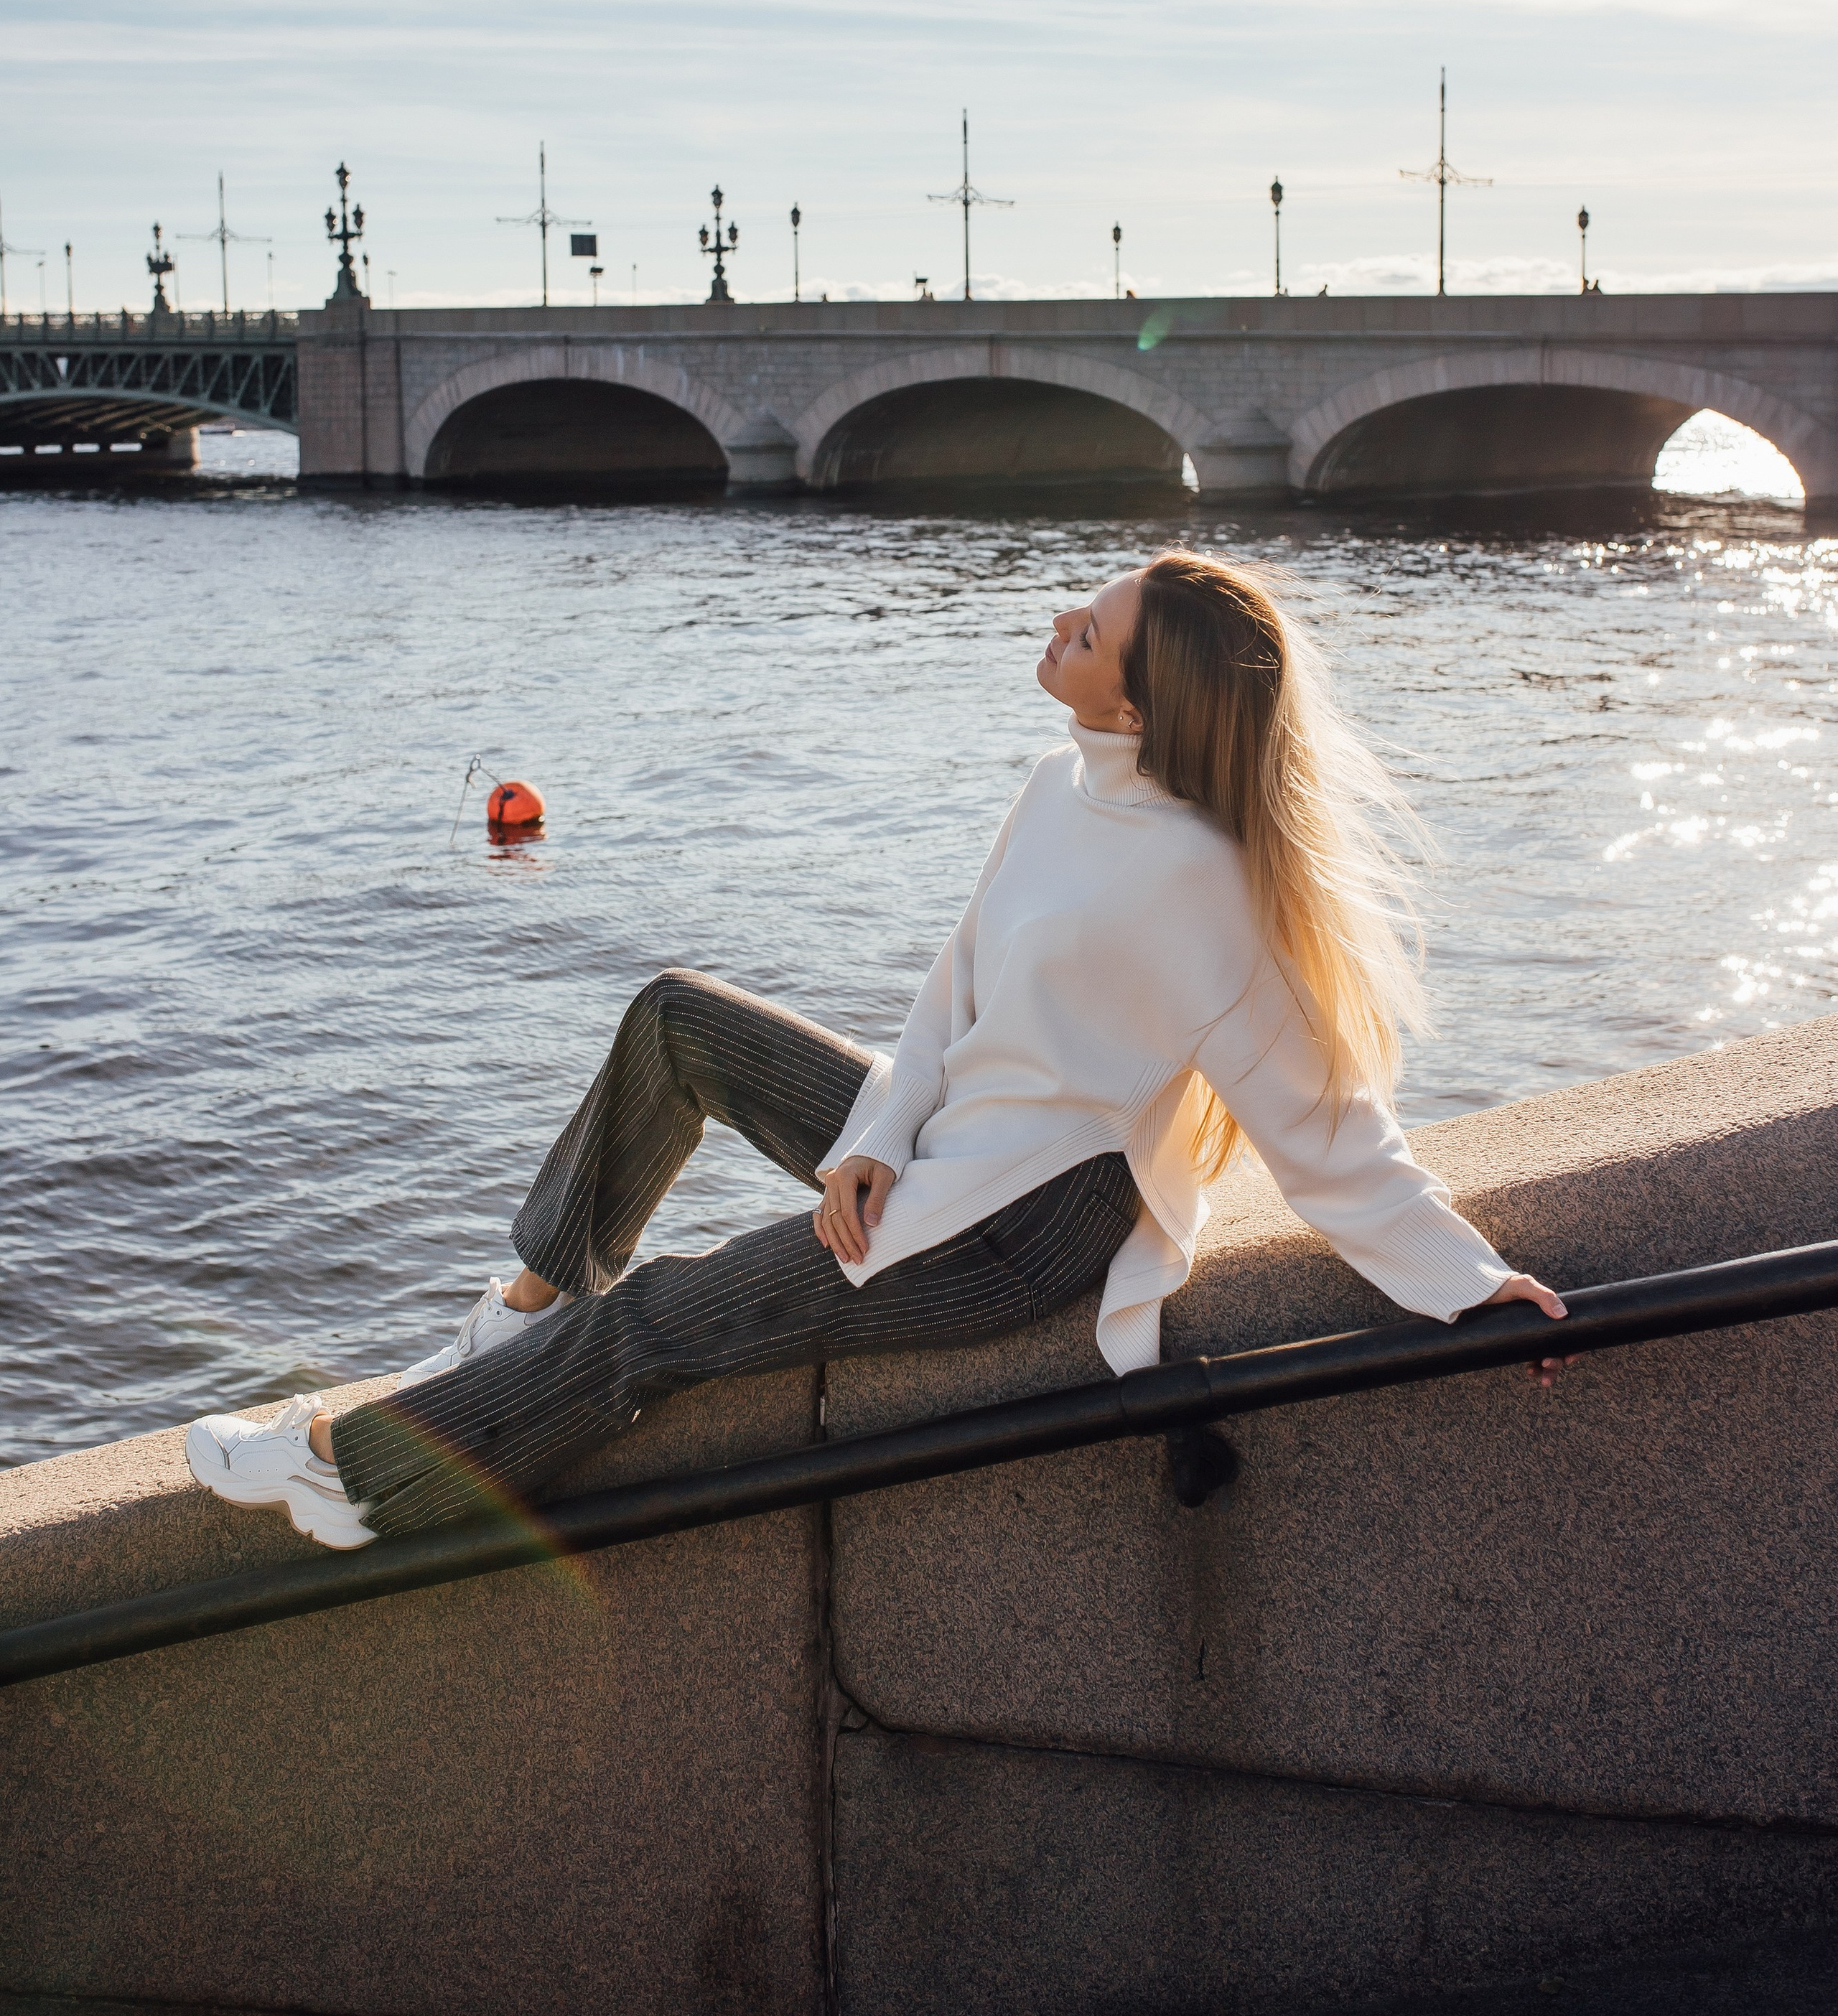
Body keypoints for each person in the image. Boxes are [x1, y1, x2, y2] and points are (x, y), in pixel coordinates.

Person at [185, 551, 1565, 1551]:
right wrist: (872, 1139)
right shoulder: (1059, 785)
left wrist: (1471, 1284)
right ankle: (519, 1323)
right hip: (944, 1142)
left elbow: (1330, 1134)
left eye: (1090, 630)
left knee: (662, 1323)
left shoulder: (1212, 895)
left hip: (1018, 1226)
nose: (1060, 622)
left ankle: (358, 1475)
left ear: (1137, 709)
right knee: (676, 1017)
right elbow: (950, 993)